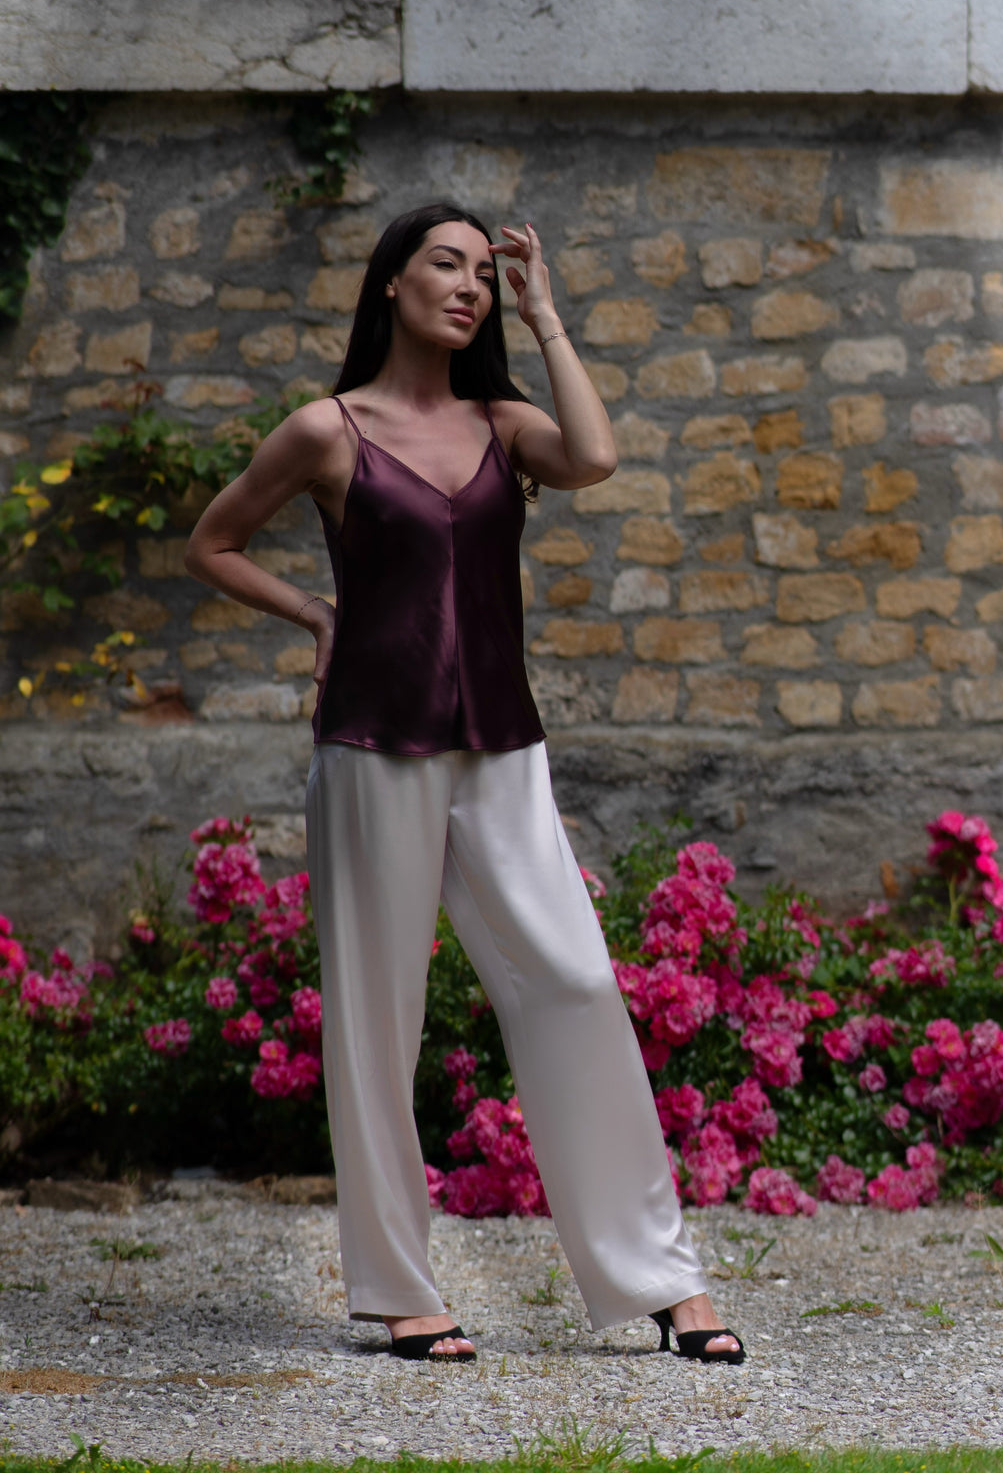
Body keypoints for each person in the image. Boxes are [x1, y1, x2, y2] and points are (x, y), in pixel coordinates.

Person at [185, 202, 744, 1366]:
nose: (470, 287)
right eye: (447, 264)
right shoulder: (326, 430)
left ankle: (660, 1278)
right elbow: (214, 542)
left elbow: (592, 459)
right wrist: (313, 614)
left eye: (485, 274)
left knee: (576, 983)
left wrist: (548, 318)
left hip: (502, 748)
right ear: (389, 282)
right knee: (375, 1023)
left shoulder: (505, 421)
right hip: (371, 752)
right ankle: (399, 1291)